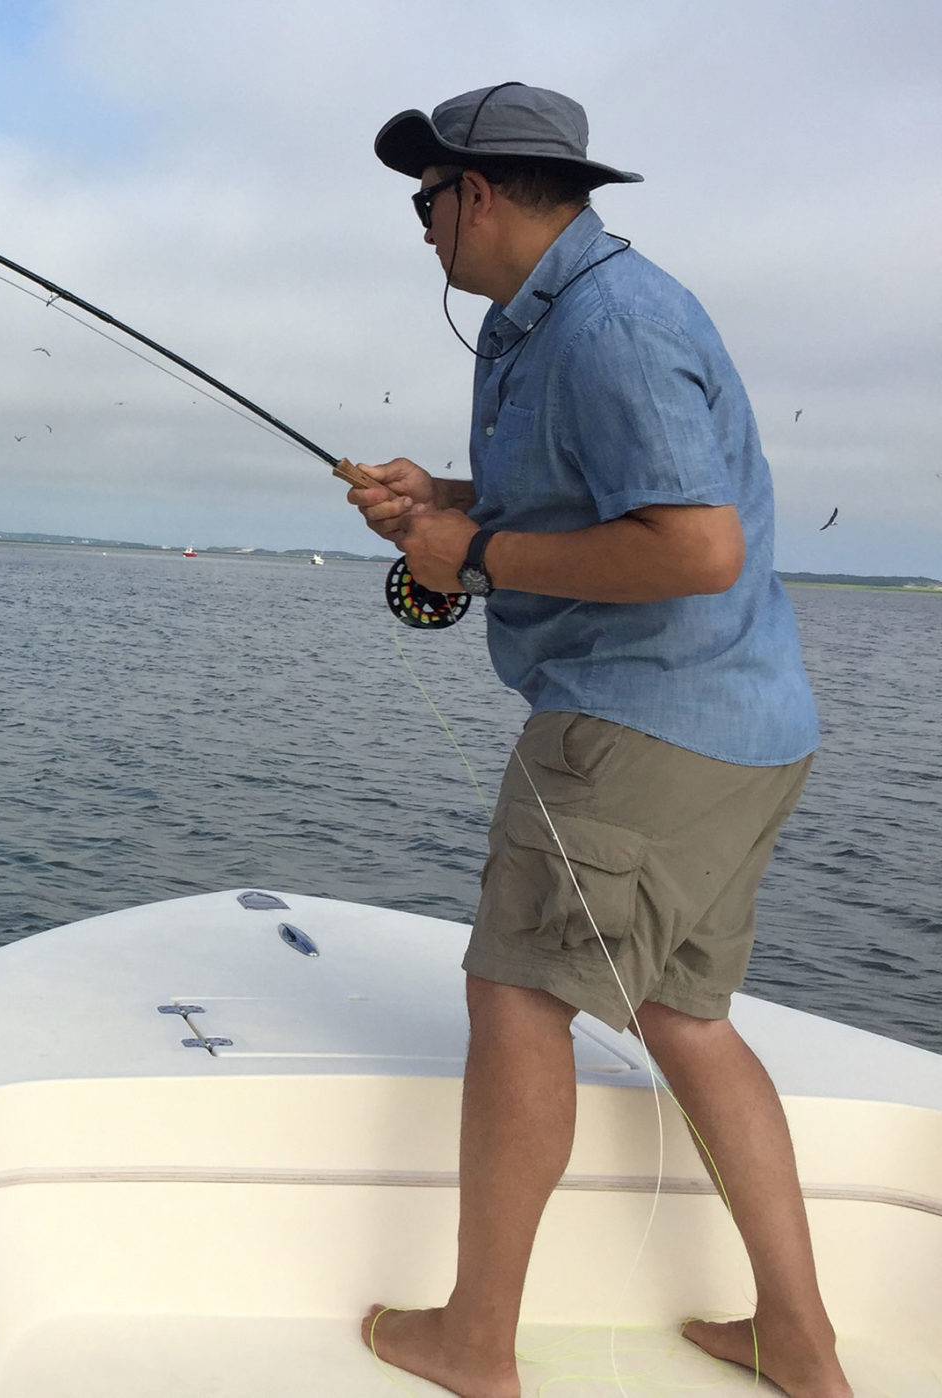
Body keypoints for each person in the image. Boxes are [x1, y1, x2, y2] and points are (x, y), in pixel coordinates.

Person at [346, 83, 847, 1398]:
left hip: (636, 732)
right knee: (688, 1019)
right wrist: (445, 501)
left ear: (486, 193)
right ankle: (798, 1341)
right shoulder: (548, 322)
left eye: (427, 198)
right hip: (743, 729)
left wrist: (482, 551)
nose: (420, 229)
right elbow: (602, 496)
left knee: (515, 997)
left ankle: (475, 1342)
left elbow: (694, 544)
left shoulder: (611, 326)